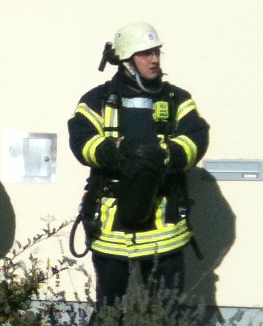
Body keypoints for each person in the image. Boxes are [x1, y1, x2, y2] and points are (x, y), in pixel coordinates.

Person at [68, 20, 210, 307]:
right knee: (110, 310)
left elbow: (196, 138)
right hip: (110, 229)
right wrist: (117, 152)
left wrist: (164, 155)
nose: (154, 59)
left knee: (167, 313)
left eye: (156, 52)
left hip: (164, 230)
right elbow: (81, 142)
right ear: (126, 59)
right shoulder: (97, 100)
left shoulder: (177, 99)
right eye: (145, 53)